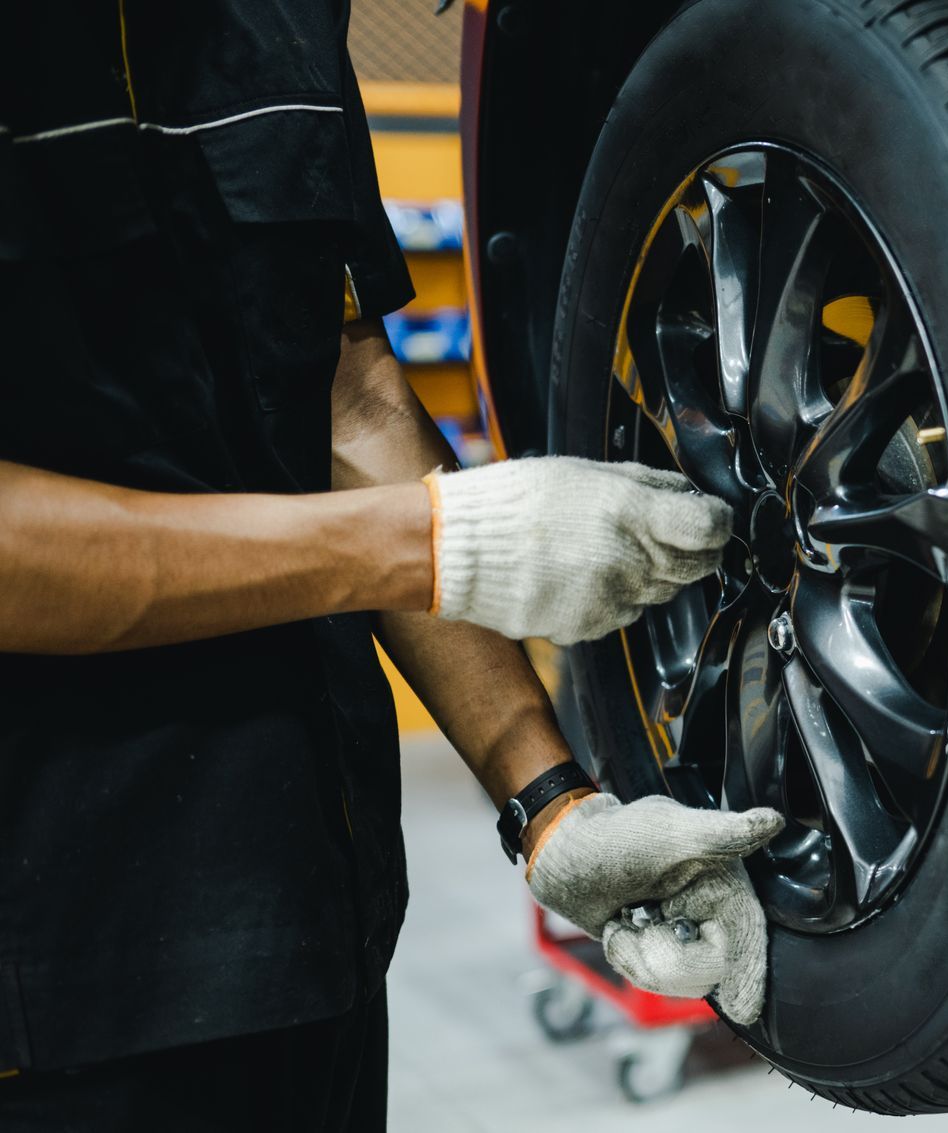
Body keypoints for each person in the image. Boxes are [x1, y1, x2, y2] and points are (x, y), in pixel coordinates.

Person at [0, 4, 774, 1127]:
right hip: (56, 995)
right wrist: (439, 542)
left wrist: (550, 800)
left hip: (315, 943)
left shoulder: (282, 24)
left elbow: (348, 394)